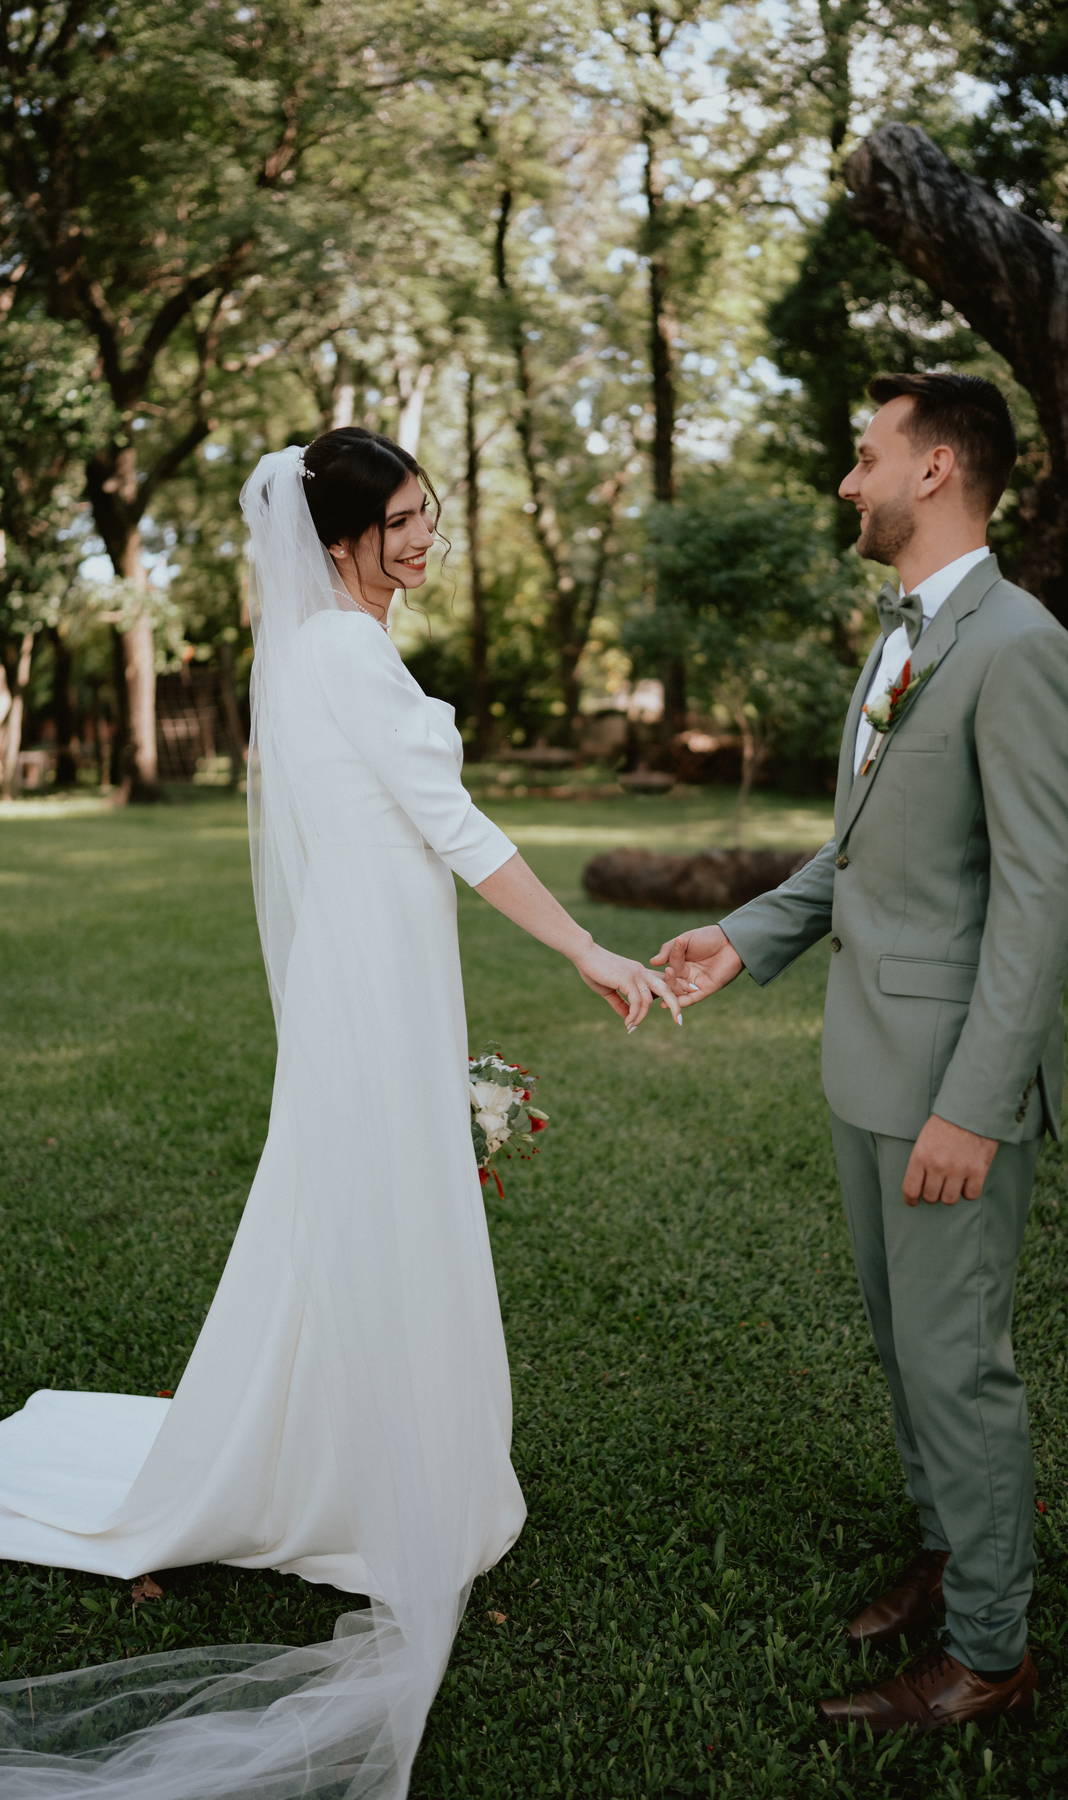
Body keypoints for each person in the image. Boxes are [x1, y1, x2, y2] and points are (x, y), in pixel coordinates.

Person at [0, 428, 680, 1798]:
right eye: (406, 521)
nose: (427, 537)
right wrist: (592, 952)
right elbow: (463, 831)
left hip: (369, 971)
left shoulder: (326, 652)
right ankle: (375, 1481)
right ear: (339, 543)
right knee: (376, 1214)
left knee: (348, 1216)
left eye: (432, 511)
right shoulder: (347, 657)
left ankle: (329, 1450)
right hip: (375, 980)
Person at [652, 373, 1068, 1734]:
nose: (847, 482)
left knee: (957, 1360)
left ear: (936, 469)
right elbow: (863, 859)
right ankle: (954, 1546)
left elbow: (1039, 896)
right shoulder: (904, 635)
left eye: (866, 458)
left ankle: (989, 1651)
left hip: (949, 1087)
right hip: (868, 1065)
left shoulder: (1018, 647)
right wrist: (742, 939)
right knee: (909, 1352)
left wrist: (975, 1104)